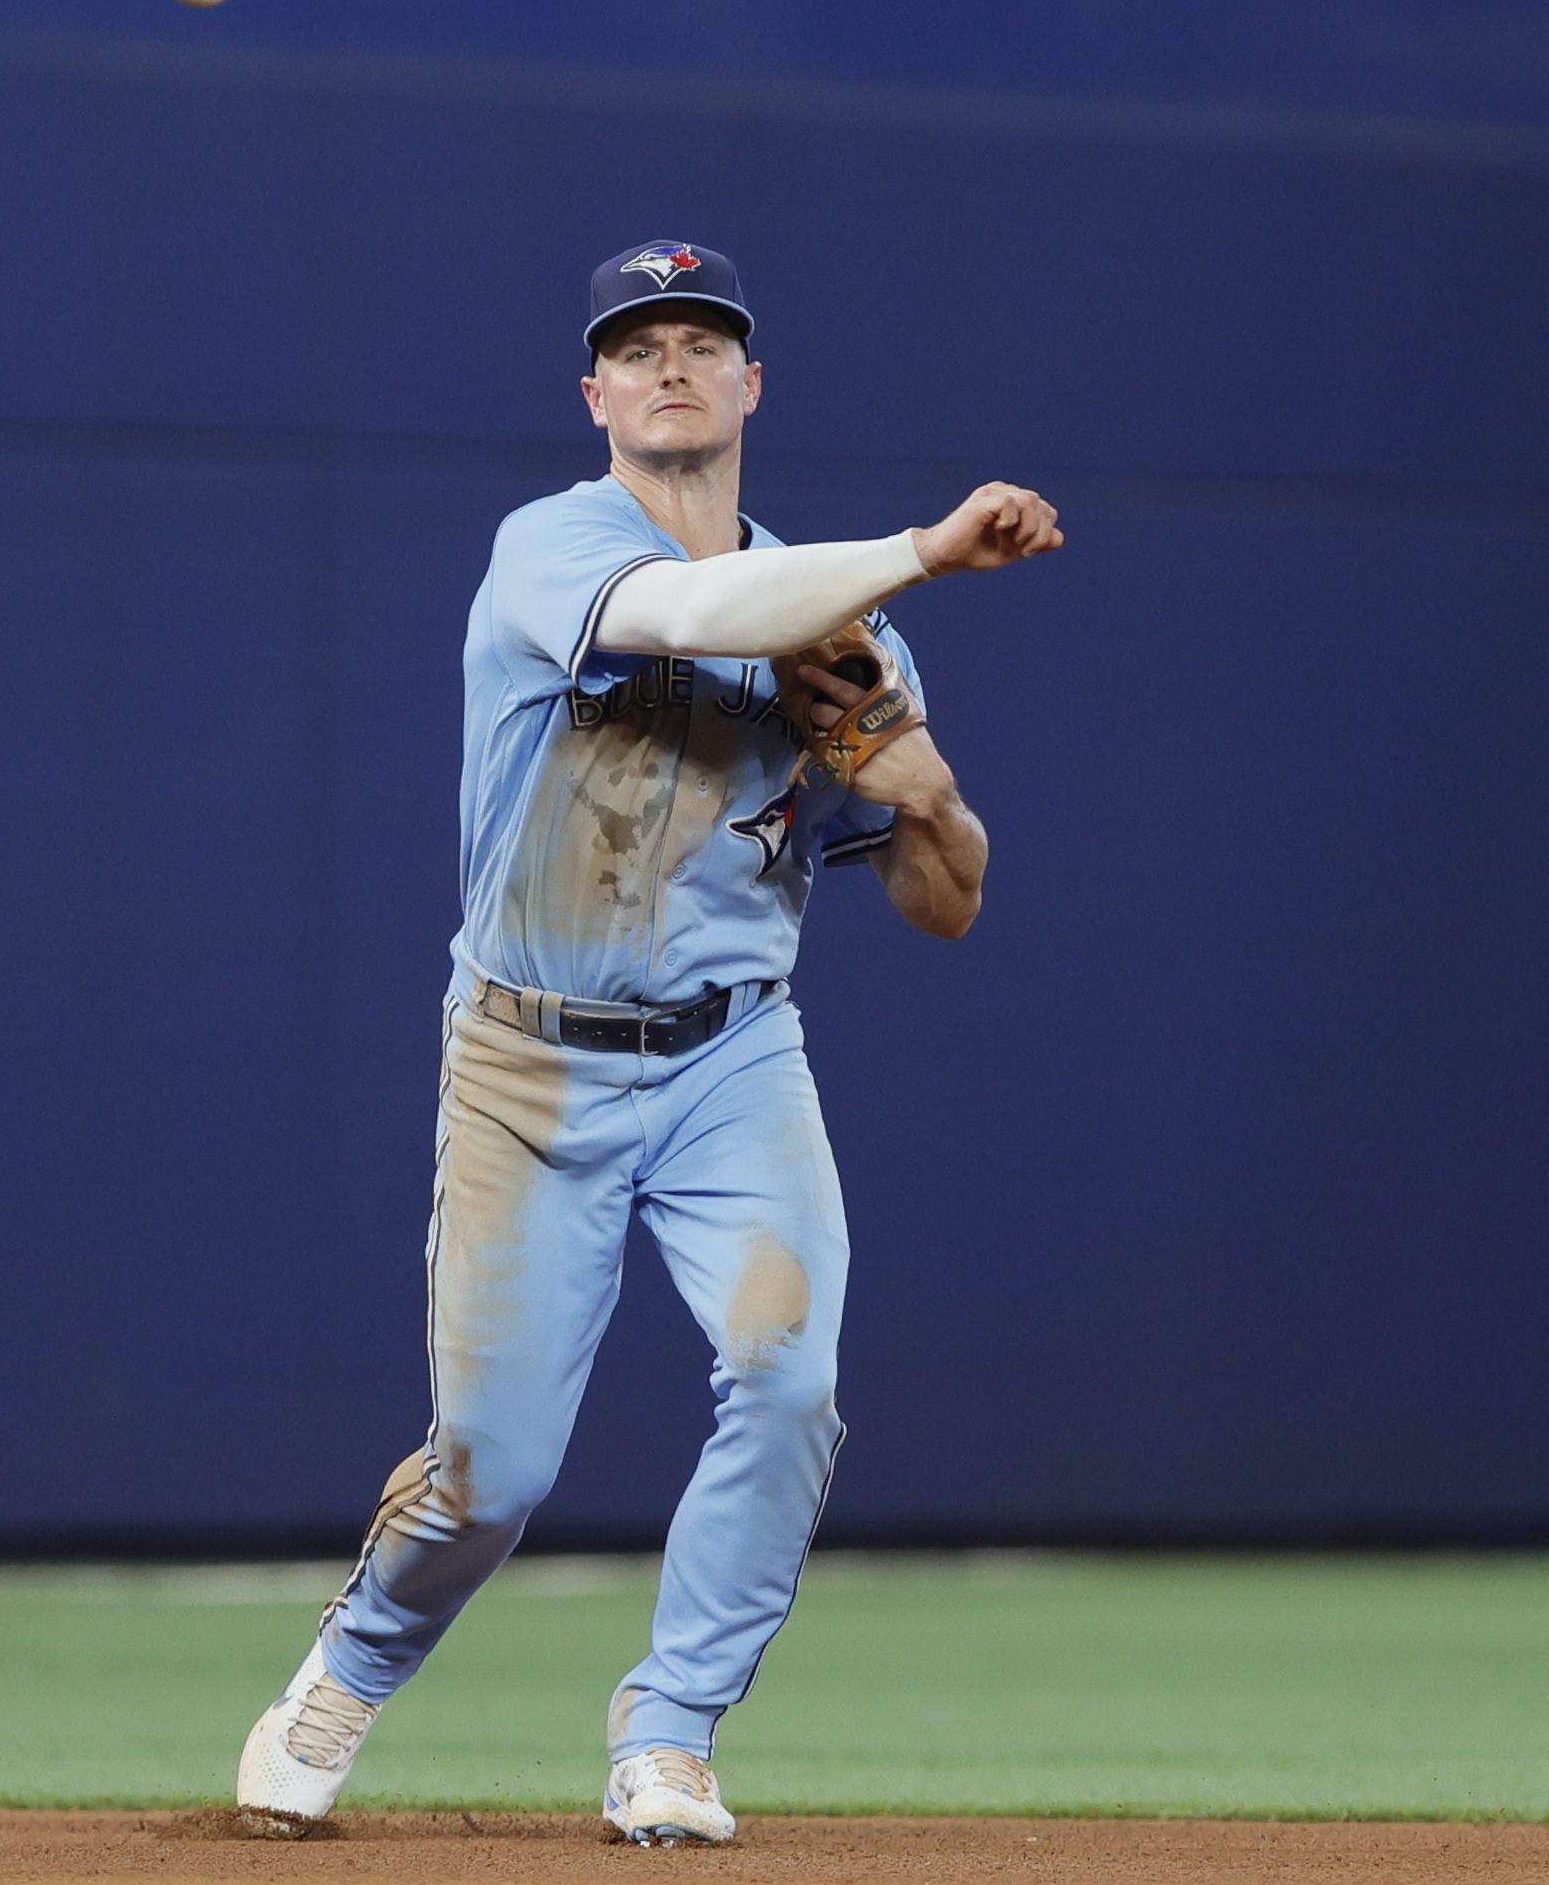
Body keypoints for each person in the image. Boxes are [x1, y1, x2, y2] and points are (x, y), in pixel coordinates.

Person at [235, 240, 1063, 1844]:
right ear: (596, 395)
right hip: (528, 1061)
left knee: (787, 1374)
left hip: (728, 1058)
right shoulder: (556, 546)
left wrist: (926, 792)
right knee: (493, 1464)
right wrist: (914, 551)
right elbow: (686, 609)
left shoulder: (846, 629)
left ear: (751, 384)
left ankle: (669, 1726)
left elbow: (942, 901)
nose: (672, 362)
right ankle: (348, 1666)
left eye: (704, 340)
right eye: (639, 344)